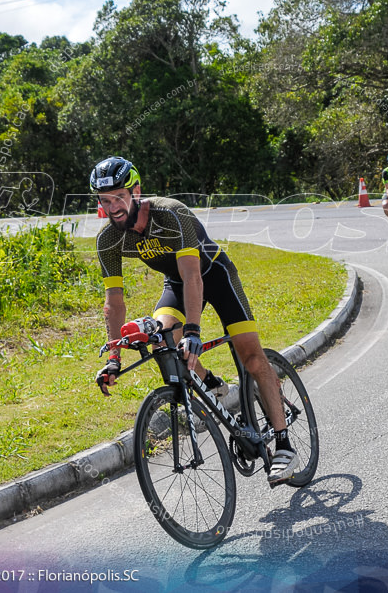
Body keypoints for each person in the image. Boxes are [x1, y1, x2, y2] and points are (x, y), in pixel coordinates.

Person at [90, 156, 299, 485]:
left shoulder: (170, 213)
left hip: (214, 275)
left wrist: (194, 330)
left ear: (137, 191)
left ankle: (284, 442)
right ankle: (212, 384)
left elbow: (192, 275)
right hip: (175, 285)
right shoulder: (108, 240)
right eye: (104, 200)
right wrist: (114, 357)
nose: (112, 206)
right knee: (162, 333)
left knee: (251, 356)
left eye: (119, 196)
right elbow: (114, 302)